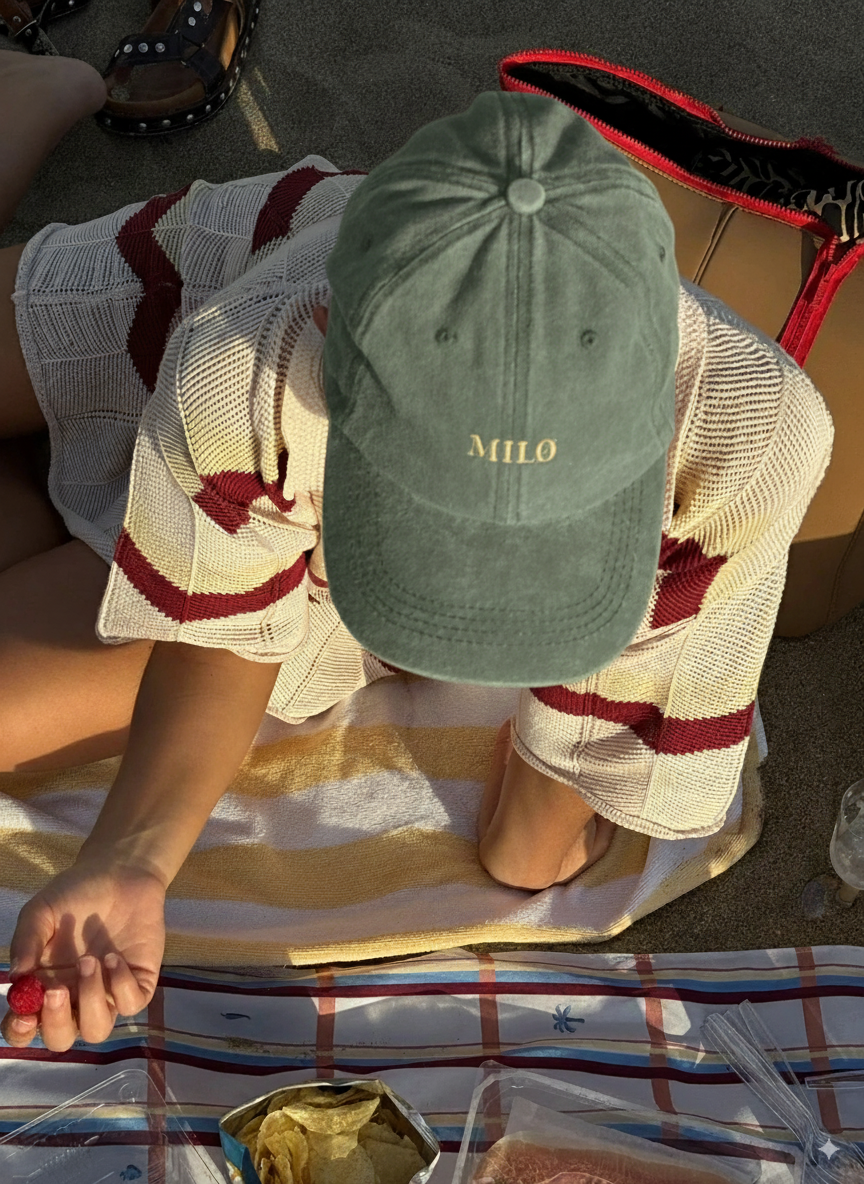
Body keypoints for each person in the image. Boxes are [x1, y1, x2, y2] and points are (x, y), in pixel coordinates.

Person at [0, 51, 833, 1053]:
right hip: (215, 311)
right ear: (326, 325)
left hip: (285, 514)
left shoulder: (750, 435)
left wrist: (529, 846)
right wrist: (133, 855)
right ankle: (36, 95)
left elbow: (564, 790)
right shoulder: (251, 347)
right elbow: (221, 630)